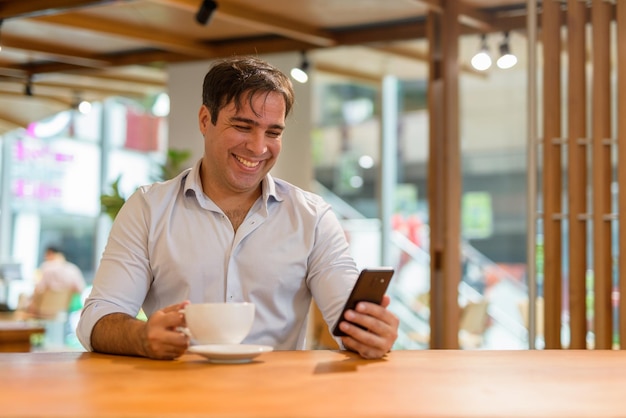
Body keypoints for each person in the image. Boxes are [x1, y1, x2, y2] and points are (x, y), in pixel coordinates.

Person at [77, 56, 398, 360]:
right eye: (243, 127)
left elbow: (349, 322)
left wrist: (370, 333)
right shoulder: (148, 209)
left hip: (280, 402)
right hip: (176, 398)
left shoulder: (312, 217)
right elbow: (98, 319)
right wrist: (142, 338)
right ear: (206, 120)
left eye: (273, 132)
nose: (259, 147)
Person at [26, 246, 86, 315]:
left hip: (42, 310)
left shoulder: (46, 267)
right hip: (64, 310)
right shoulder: (73, 269)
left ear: (50, 254)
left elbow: (38, 289)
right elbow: (80, 289)